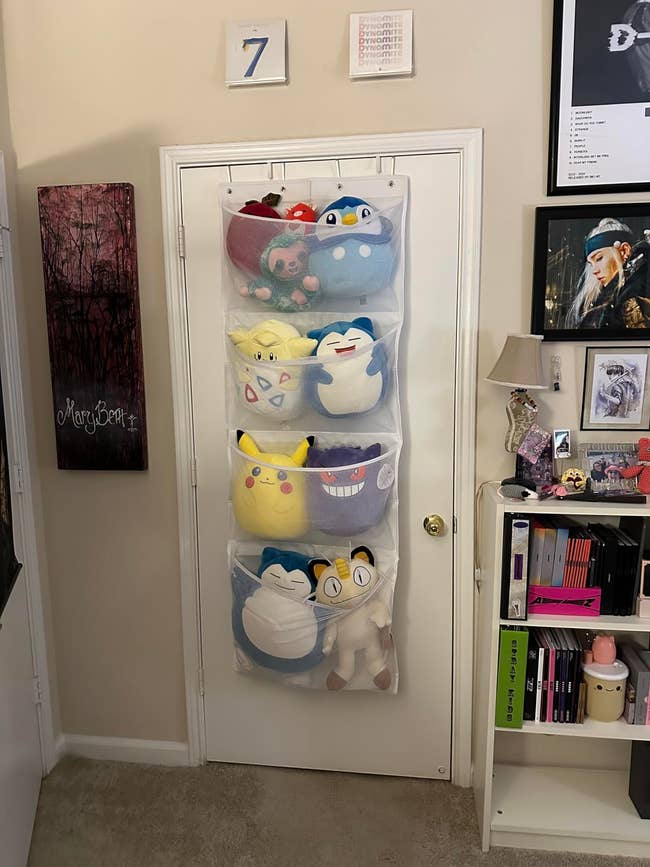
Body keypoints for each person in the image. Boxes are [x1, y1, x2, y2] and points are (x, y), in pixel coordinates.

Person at [565, 218, 650, 329]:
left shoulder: (634, 295)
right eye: (591, 264)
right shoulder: (610, 301)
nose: (594, 271)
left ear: (624, 251)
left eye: (599, 258)